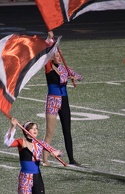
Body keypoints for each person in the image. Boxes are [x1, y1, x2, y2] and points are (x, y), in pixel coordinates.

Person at [42, 31, 83, 167]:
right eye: (56, 55)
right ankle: (45, 159)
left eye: (59, 55)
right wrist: (49, 39)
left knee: (67, 130)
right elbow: (45, 52)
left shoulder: (65, 69)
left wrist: (75, 77)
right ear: (52, 57)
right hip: (53, 101)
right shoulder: (48, 67)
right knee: (50, 132)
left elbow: (80, 76)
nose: (59, 57)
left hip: (64, 101)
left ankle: (72, 159)